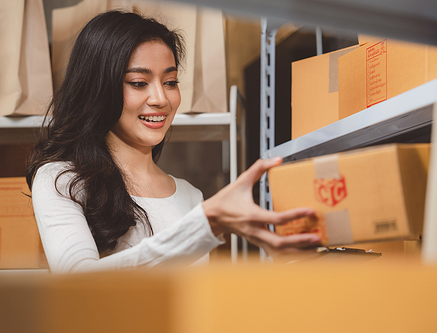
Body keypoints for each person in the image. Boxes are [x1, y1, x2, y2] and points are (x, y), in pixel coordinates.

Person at [26, 10, 320, 273]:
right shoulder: (61, 179)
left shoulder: (191, 196)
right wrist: (206, 224)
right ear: (99, 88)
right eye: (139, 83)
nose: (161, 99)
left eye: (170, 82)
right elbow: (78, 288)